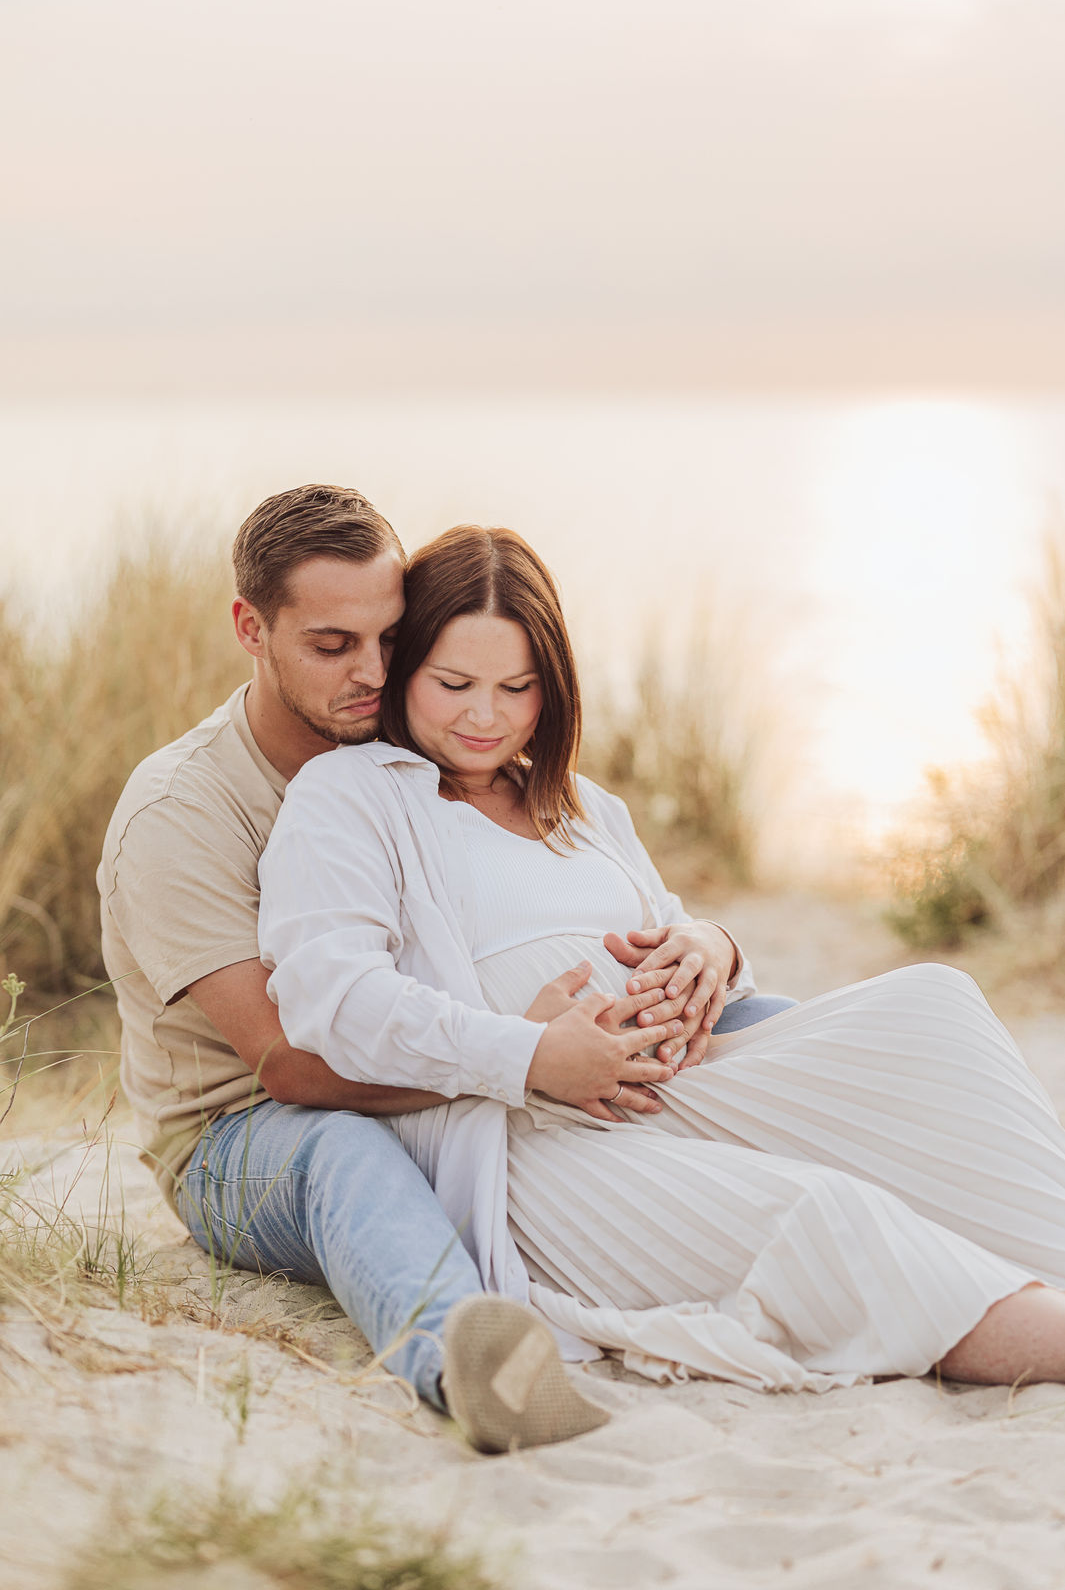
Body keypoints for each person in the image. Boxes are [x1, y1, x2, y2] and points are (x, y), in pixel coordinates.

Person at [259, 524, 1065, 1395]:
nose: (484, 716)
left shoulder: (584, 807)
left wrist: (711, 947)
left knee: (935, 1009)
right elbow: (332, 999)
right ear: (405, 667)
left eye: (516, 688)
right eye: (452, 684)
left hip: (688, 1084)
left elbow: (678, 937)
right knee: (825, 1212)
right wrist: (530, 1055)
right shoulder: (353, 796)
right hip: (540, 1138)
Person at [98, 483, 791, 1452]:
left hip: (454, 1057)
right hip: (247, 1136)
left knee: (763, 1027)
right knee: (343, 1155)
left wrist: (707, 950)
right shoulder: (183, 811)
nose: (371, 672)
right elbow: (287, 1065)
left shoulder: (408, 751)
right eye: (332, 644)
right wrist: (523, 1059)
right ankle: (467, 1360)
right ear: (251, 629)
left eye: (392, 638)